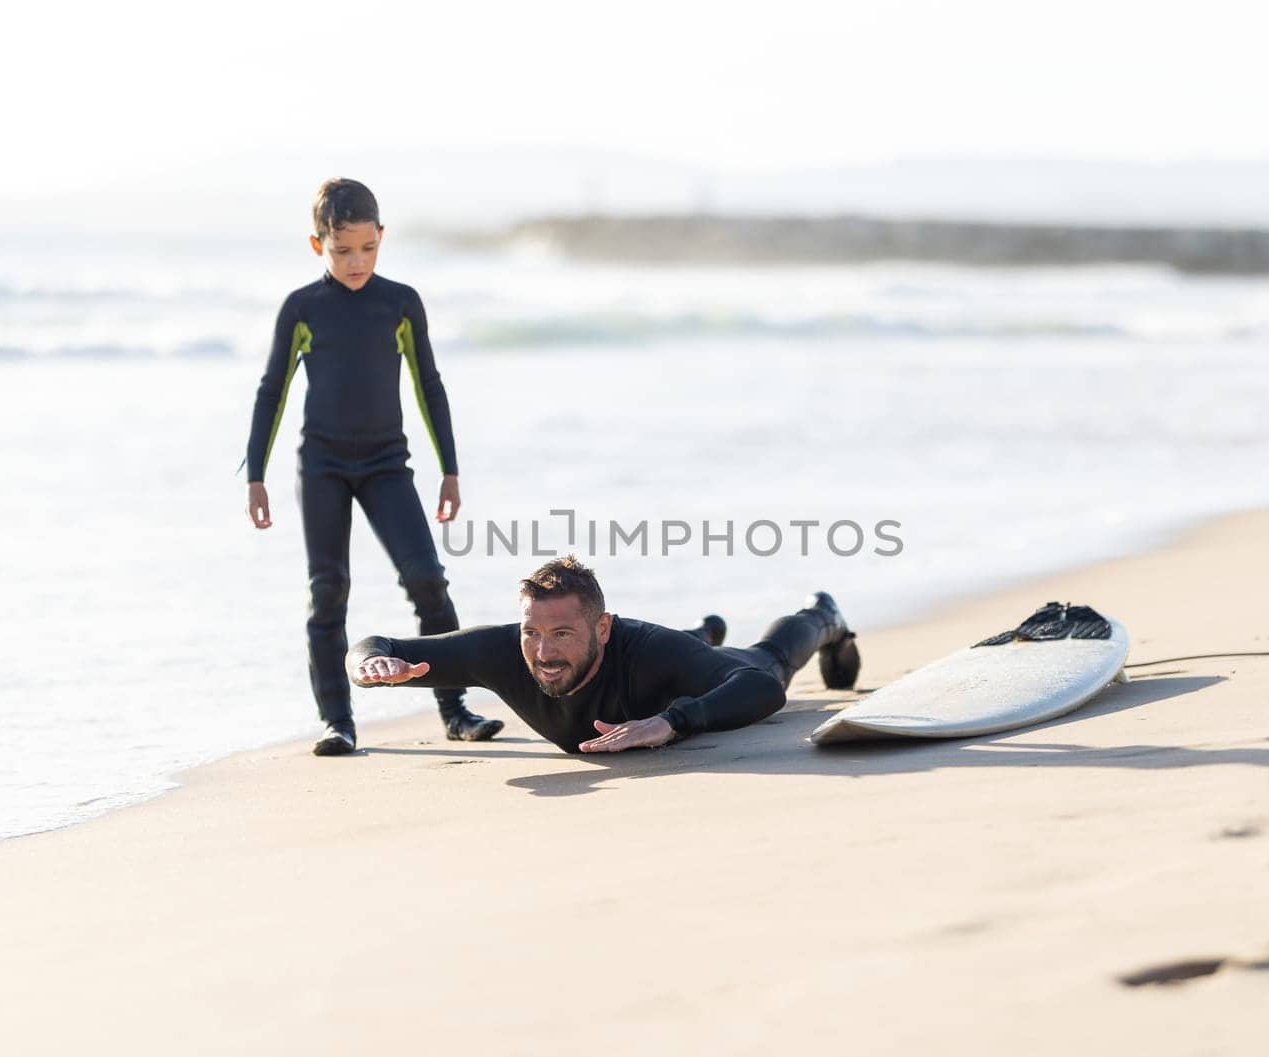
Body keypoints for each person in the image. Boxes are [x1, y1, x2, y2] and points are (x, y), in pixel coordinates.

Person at [244, 177, 503, 756]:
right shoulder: (303, 309)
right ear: (318, 246)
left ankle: (456, 710)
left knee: (427, 580)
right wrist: (255, 475)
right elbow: (272, 391)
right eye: (342, 250)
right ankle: (338, 721)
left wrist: (450, 470)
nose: (356, 261)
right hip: (324, 469)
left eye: (367, 248)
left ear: (382, 238)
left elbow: (429, 385)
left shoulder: (400, 302)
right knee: (328, 589)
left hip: (389, 465)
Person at [344, 555, 862, 754]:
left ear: (602, 628)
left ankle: (825, 617)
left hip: (692, 675)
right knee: (698, 648)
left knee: (766, 656)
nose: (543, 653)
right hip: (668, 653)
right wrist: (368, 666)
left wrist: (672, 721)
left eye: (564, 634)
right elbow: (376, 647)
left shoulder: (650, 651)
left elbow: (762, 690)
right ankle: (703, 631)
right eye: (533, 632)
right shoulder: (504, 650)